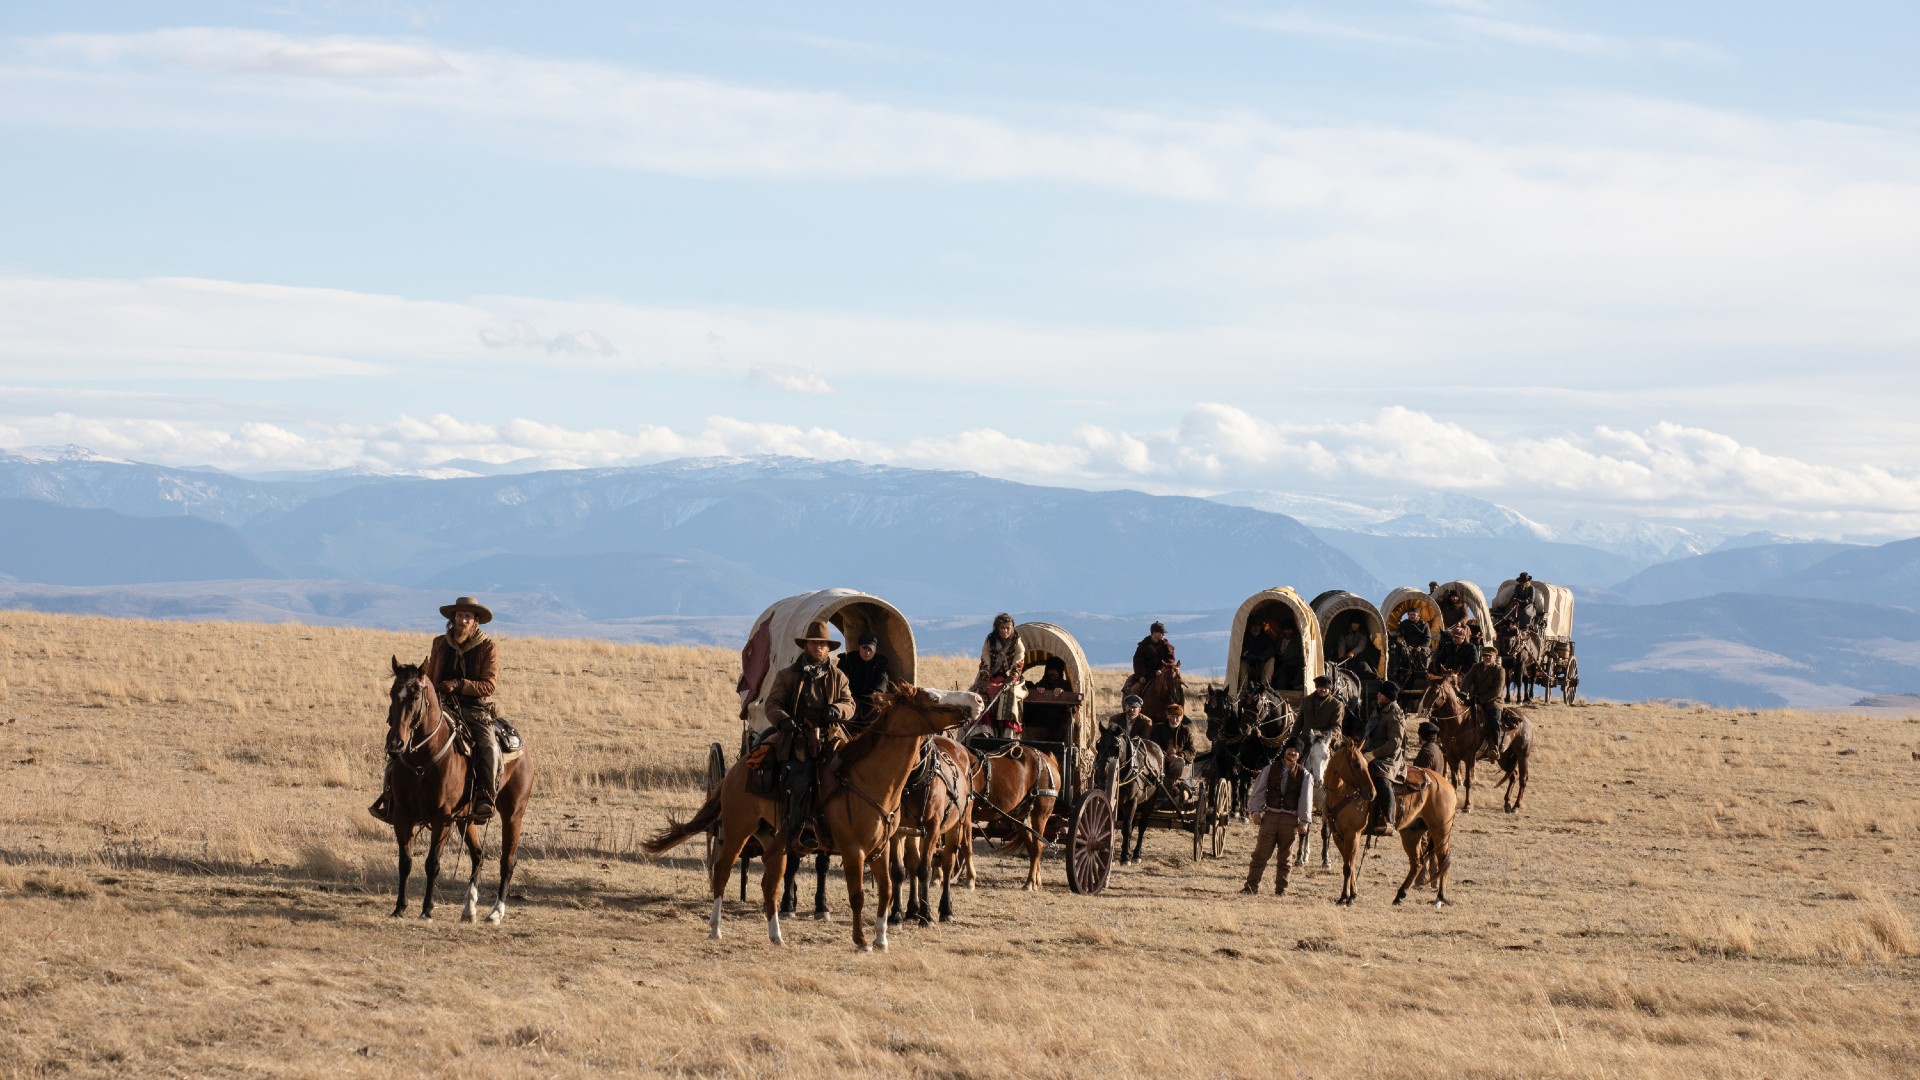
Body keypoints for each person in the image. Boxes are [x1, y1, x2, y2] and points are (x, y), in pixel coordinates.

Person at [370, 595, 503, 825]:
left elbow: (489, 684)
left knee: (488, 744)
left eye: (468, 617)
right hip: (441, 704)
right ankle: (390, 796)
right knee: (399, 737)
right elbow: (430, 678)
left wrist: (459, 684)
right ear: (453, 618)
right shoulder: (440, 643)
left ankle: (485, 796)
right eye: (459, 616)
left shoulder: (487, 647)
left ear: (475, 622)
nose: (463, 621)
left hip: (473, 707)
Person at [765, 620, 856, 843]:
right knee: (798, 778)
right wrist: (784, 721)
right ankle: (797, 830)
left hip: (832, 737)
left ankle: (851, 827)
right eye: (814, 643)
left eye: (823, 644)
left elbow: (850, 704)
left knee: (855, 773)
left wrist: (837, 709)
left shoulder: (838, 676)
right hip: (797, 739)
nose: (819, 647)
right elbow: (772, 704)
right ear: (805, 646)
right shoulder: (787, 675)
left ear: (828, 648)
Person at [1241, 742, 1313, 896]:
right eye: (1290, 749)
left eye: (1296, 751)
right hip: (1270, 817)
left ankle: (1281, 890)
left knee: (1285, 859)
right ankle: (1251, 886)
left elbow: (1306, 799)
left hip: (1290, 819)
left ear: (1299, 755)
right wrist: (1255, 811)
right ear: (1285, 751)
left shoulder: (1305, 775)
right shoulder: (1270, 769)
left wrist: (1304, 821)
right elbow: (1259, 790)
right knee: (1260, 855)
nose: (1292, 752)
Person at [1362, 682, 1407, 836]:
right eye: (1379, 693)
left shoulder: (1395, 713)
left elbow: (1394, 743)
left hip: (1388, 757)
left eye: (1381, 694)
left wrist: (1374, 754)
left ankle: (1389, 821)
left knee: (1382, 779)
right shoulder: (1378, 708)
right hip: (1370, 751)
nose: (1378, 695)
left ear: (1389, 697)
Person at [972, 613, 1027, 737]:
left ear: (1012, 628)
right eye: (1002, 628)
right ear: (997, 628)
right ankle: (983, 731)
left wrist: (1009, 681)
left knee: (1009, 695)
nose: (1005, 631)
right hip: (990, 677)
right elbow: (985, 662)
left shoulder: (1017, 644)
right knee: (978, 694)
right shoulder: (989, 642)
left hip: (1011, 679)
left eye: (1008, 628)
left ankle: (1008, 733)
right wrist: (984, 680)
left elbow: (1017, 666)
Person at [837, 631, 892, 728]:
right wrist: (846, 695)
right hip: (851, 699)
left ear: (875, 650)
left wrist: (877, 693)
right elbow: (838, 678)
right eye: (864, 648)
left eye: (871, 649)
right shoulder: (848, 659)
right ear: (859, 647)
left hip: (872, 700)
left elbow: (882, 679)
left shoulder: (881, 661)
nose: (867, 652)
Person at [1463, 644, 1506, 755]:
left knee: (1494, 719)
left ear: (1494, 658)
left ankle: (1494, 746)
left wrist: (1481, 699)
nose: (1487, 658)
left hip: (1493, 702)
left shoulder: (1500, 670)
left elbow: (1497, 691)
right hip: (1475, 698)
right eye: (1485, 655)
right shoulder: (1476, 667)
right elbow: (1467, 680)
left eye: (1489, 656)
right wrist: (1463, 693)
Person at [1152, 703, 1198, 798]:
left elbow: (1192, 751)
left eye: (1177, 717)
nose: (1175, 720)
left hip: (1177, 763)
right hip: (1160, 760)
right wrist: (1164, 756)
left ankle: (1167, 790)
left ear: (1181, 718)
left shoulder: (1186, 731)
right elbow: (1155, 746)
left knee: (1179, 762)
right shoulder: (1158, 728)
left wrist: (1180, 755)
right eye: (1172, 717)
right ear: (1168, 716)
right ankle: (1169, 789)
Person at [1125, 621, 1176, 697]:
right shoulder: (1143, 646)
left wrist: (1161, 670)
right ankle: (1133, 706)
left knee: (1175, 688)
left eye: (1163, 633)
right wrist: (1141, 675)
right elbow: (1138, 662)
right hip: (1147, 675)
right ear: (1154, 632)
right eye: (1161, 632)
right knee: (1135, 690)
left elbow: (1170, 660)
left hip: (1163, 675)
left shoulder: (1167, 646)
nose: (1163, 635)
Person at [1240, 620, 1278, 689]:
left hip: (1261, 666)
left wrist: (1265, 655)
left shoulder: (1266, 637)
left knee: (1271, 660)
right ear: (1250, 626)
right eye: (1253, 625)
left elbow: (1271, 649)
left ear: (1261, 627)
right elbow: (1240, 648)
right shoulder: (1244, 637)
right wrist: (1247, 655)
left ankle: (1265, 685)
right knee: (1242, 663)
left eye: (1258, 626)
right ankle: (1243, 687)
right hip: (1249, 666)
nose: (1255, 628)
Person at [1275, 625, 1305, 691]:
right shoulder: (1279, 639)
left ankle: (1297, 685)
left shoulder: (1298, 640)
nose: (1288, 632)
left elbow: (1301, 655)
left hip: (1294, 664)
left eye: (1289, 630)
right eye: (1286, 630)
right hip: (1281, 665)